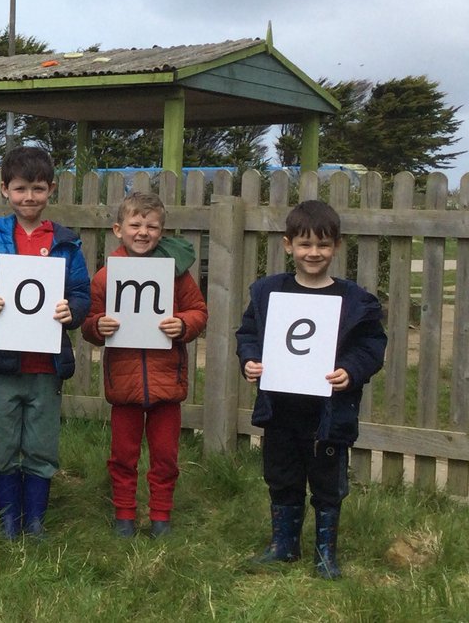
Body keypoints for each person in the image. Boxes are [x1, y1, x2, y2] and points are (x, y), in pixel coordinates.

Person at [236, 199, 386, 579]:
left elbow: (371, 347)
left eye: (322, 245)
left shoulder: (355, 300)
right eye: (304, 244)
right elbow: (249, 334)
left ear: (336, 246)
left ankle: (325, 555)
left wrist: (350, 371)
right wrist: (250, 360)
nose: (313, 253)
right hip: (280, 410)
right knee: (281, 476)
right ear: (288, 245)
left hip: (329, 416)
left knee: (327, 483)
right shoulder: (267, 292)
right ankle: (283, 545)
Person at [0, 146, 91, 539]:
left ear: (51, 189)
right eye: (20, 188)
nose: (28, 197)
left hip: (46, 366)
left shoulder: (66, 243)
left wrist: (75, 311)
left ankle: (34, 521)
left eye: (37, 188)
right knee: (1, 443)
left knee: (41, 444)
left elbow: (82, 291)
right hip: (1, 365)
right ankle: (7, 522)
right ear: (4, 190)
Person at [80, 192, 208, 538]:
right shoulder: (107, 277)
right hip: (124, 386)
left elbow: (198, 311)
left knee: (165, 457)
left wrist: (183, 324)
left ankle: (161, 517)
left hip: (168, 384)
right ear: (118, 229)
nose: (143, 232)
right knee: (123, 455)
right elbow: (89, 322)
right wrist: (97, 327)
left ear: (161, 232)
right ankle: (124, 516)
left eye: (152, 226)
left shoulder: (177, 275)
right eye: (135, 225)